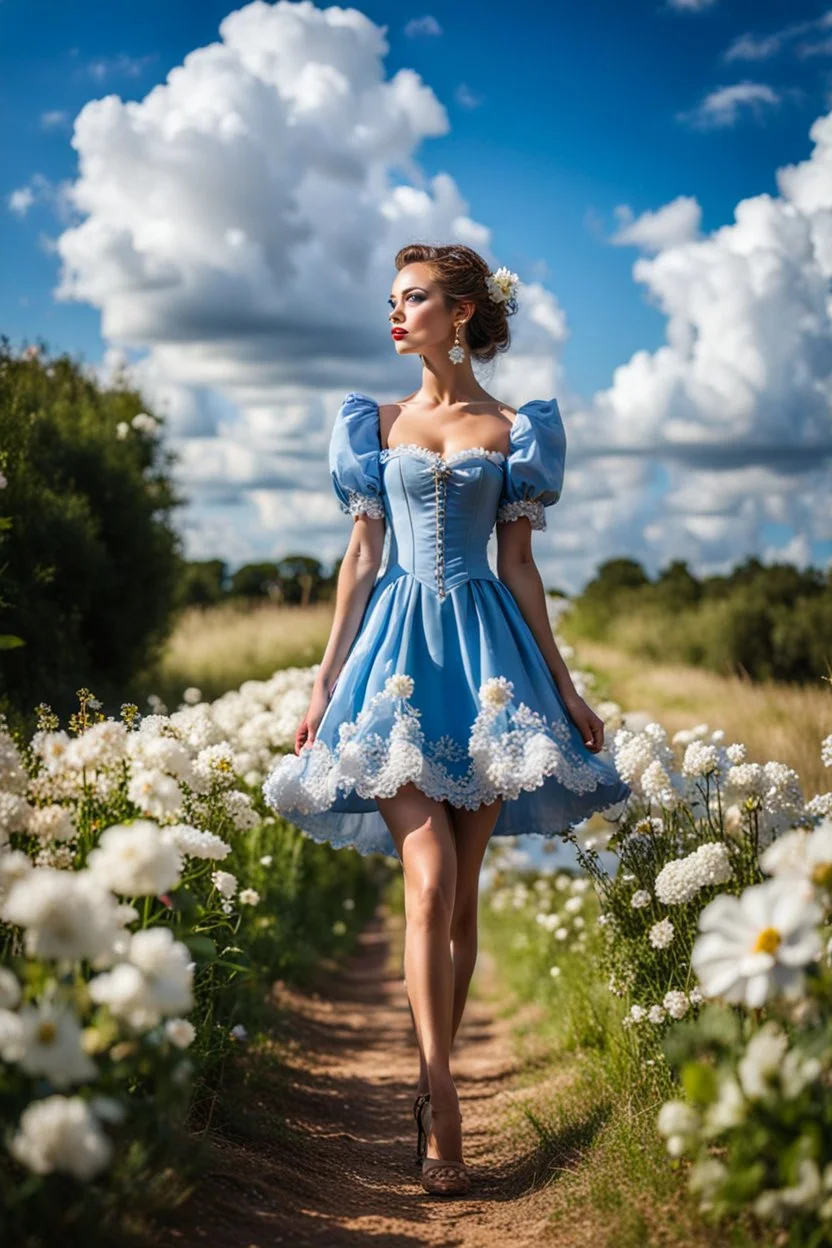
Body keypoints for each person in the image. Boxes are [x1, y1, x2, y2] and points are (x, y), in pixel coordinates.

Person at [262, 242, 632, 1196]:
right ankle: (442, 1097)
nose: (396, 315)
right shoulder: (370, 423)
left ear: (461, 313)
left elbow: (519, 567)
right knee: (425, 880)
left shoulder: (518, 428)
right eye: (392, 300)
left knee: (461, 896)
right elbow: (357, 563)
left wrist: (567, 685)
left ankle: (435, 1086)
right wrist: (320, 684)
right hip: (395, 663)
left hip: (489, 662)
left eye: (414, 299)